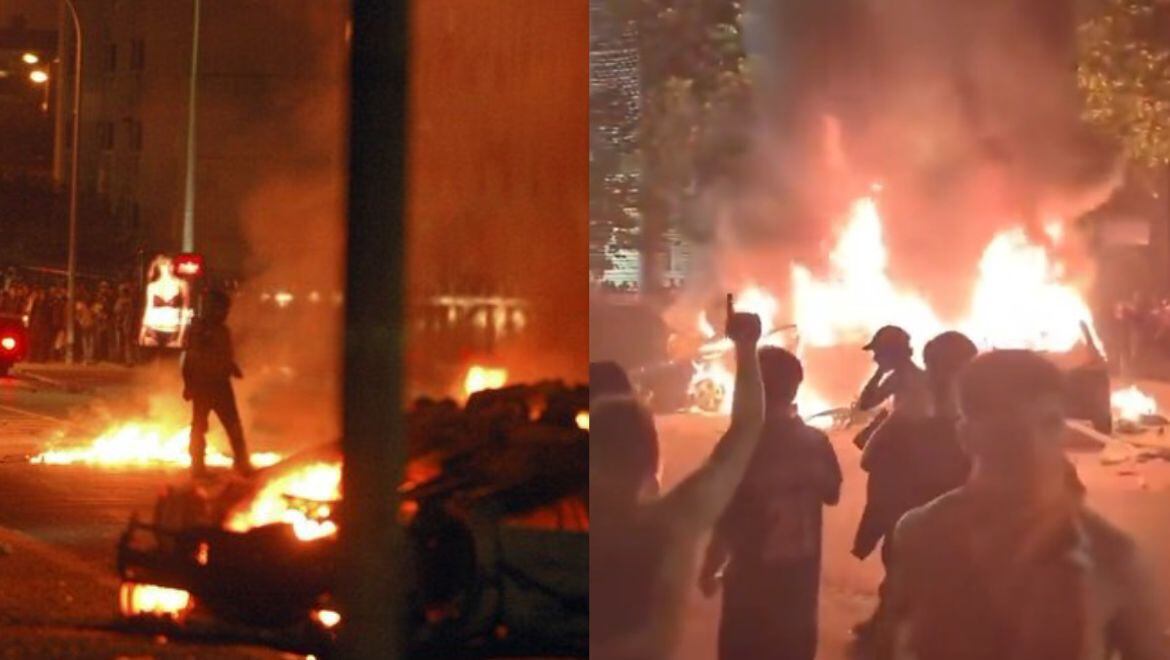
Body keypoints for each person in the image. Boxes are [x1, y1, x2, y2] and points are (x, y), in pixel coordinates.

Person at [876, 350, 1167, 660]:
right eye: (1007, 429)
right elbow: (892, 643)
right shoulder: (922, 536)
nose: (1032, 447)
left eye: (1048, 424)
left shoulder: (1113, 559)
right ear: (967, 436)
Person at [592, 298, 764, 659]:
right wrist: (746, 350)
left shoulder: (554, 530)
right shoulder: (671, 525)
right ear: (649, 460)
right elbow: (747, 430)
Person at [697, 347, 841, 660]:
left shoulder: (740, 445)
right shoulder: (815, 442)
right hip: (799, 590)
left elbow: (724, 514)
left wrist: (709, 567)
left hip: (750, 591)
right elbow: (832, 493)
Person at [182, 290, 251, 478]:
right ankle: (197, 466)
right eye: (221, 309)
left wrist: (232, 367)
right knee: (199, 427)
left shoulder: (223, 330)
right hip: (203, 386)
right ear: (212, 308)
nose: (225, 313)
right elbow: (190, 358)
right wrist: (188, 384)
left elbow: (224, 355)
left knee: (233, 425)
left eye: (226, 309)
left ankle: (243, 464)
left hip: (222, 385)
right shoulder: (200, 329)